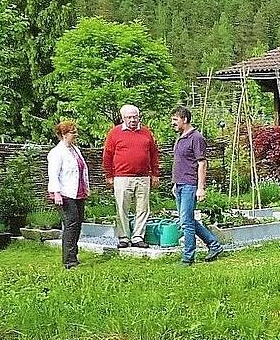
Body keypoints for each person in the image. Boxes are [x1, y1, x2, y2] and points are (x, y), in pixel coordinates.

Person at [171, 106, 224, 265]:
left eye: (175, 120)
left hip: (190, 184)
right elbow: (181, 162)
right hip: (180, 184)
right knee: (186, 219)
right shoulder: (181, 137)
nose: (172, 123)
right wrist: (175, 183)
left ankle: (188, 257)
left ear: (185, 120)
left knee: (186, 222)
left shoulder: (196, 138)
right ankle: (214, 245)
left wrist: (201, 188)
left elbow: (202, 163)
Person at [102, 105, 160, 248]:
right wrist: (109, 175)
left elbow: (154, 154)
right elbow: (107, 155)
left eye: (135, 116)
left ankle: (138, 237)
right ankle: (124, 237)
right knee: (122, 208)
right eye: (129, 117)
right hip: (122, 177)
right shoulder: (114, 133)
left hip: (143, 177)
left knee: (143, 208)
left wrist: (155, 174)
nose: (133, 120)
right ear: (123, 118)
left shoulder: (146, 133)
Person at [47, 120, 90, 269]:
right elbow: (53, 174)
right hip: (64, 194)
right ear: (64, 135)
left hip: (78, 192)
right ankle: (69, 260)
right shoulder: (56, 153)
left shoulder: (75, 150)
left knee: (77, 224)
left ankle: (74, 255)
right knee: (71, 224)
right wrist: (56, 193)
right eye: (73, 132)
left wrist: (86, 188)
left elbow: (82, 170)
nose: (75, 134)